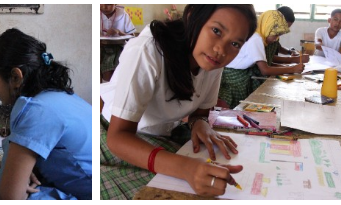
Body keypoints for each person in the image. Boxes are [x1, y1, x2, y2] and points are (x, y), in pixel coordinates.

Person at [100, 5, 258, 199]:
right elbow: (118, 137)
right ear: (192, 17)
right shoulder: (149, 50)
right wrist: (185, 169)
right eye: (216, 31)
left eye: (235, 44)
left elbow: (200, 113)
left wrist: (200, 124)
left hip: (162, 132)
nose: (220, 50)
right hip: (116, 136)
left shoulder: (213, 61)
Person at [0, 28, 92, 200]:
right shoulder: (57, 95)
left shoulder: (36, 110)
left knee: (26, 194)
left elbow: (9, 197)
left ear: (16, 77)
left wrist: (15, 182)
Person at [217, 9, 302, 108]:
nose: (276, 39)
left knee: (239, 108)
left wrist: (289, 67)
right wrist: (293, 69)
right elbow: (265, 70)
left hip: (240, 74)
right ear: (268, 27)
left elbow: (267, 63)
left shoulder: (259, 37)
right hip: (233, 77)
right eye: (276, 35)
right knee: (233, 108)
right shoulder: (256, 39)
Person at [100, 4, 137, 83]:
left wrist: (120, 32)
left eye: (108, 4)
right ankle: (105, 87)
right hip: (101, 47)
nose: (104, 6)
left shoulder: (123, 14)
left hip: (119, 47)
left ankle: (109, 87)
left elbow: (132, 36)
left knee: (117, 70)